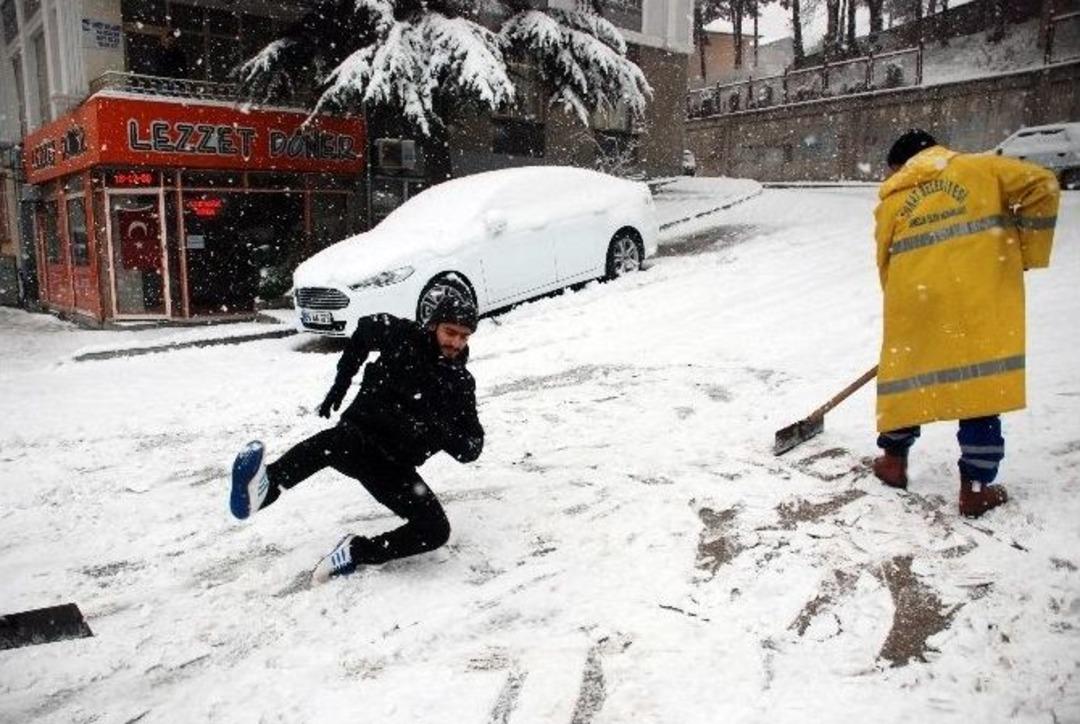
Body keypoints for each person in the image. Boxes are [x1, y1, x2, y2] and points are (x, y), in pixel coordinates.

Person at [870, 129, 1059, 517]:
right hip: (975, 299)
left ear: (902, 164)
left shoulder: (892, 197)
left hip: (916, 301)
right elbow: (1044, 184)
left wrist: (905, 308)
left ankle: (893, 463)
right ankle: (974, 489)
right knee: (978, 389)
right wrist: (1027, 252)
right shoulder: (981, 169)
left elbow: (884, 258)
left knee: (905, 385)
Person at [229, 296, 484, 583]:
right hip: (358, 437)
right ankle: (265, 488)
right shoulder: (401, 335)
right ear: (433, 325)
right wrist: (341, 383)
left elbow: (472, 448)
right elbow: (363, 333)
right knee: (330, 445)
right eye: (450, 332)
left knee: (435, 530)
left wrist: (438, 425)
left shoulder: (460, 384)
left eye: (464, 336)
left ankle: (355, 551)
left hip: (393, 468)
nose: (456, 343)